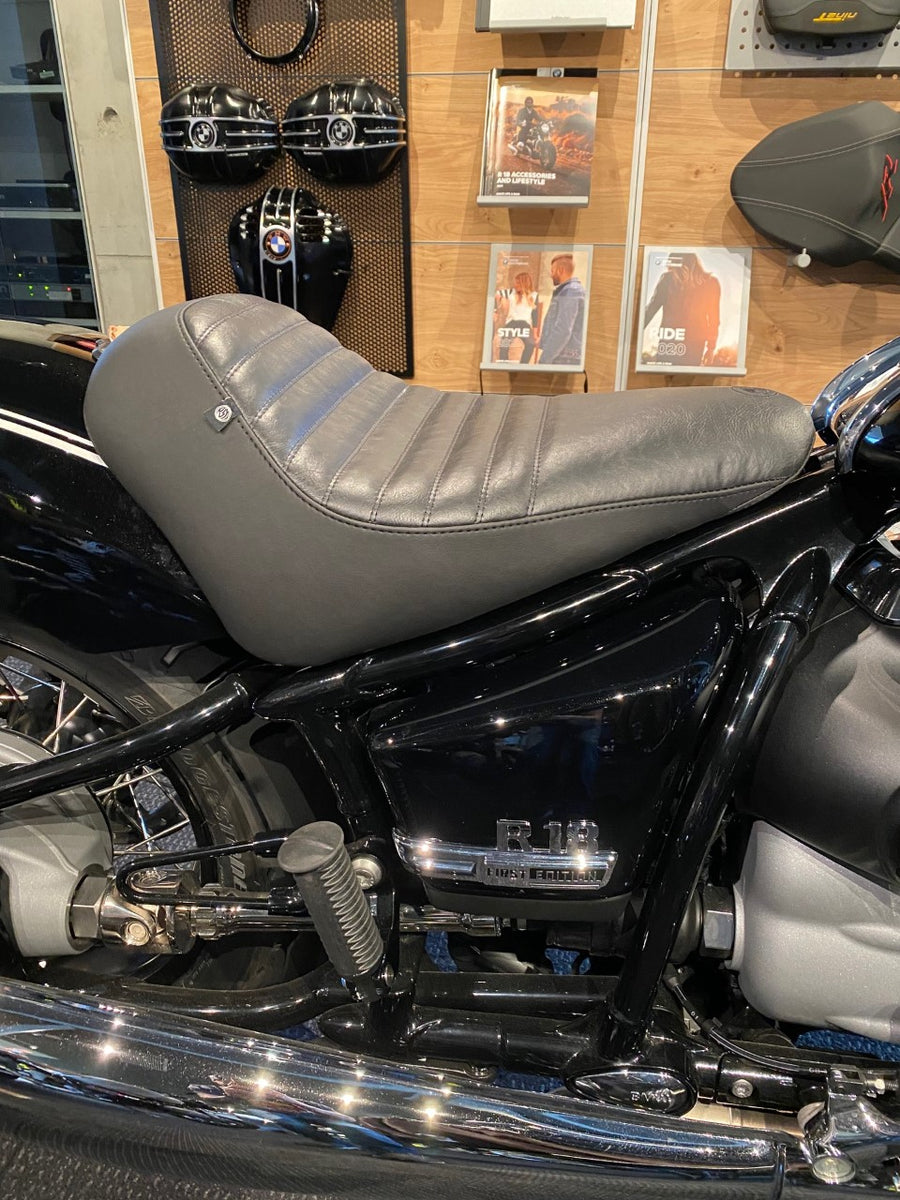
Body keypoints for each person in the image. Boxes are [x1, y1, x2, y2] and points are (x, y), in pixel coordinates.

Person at [642, 252, 720, 367]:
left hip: (671, 339)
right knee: (687, 375)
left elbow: (650, 309)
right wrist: (711, 348)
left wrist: (633, 334)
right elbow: (714, 320)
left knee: (665, 374)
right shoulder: (711, 282)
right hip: (693, 343)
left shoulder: (668, 279)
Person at [537, 254, 586, 367]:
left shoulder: (570, 291)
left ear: (560, 270)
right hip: (564, 355)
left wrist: (544, 360)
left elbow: (563, 329)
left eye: (552, 271)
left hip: (564, 357)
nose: (551, 274)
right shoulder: (568, 291)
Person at [495, 271, 541, 364]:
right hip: (511, 323)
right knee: (504, 345)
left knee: (531, 344)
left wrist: (535, 334)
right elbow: (495, 294)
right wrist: (498, 304)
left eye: (518, 283)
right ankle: (504, 365)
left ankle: (522, 365)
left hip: (525, 325)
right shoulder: (510, 292)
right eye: (515, 282)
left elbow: (535, 315)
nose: (515, 285)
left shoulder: (534, 295)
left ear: (524, 283)